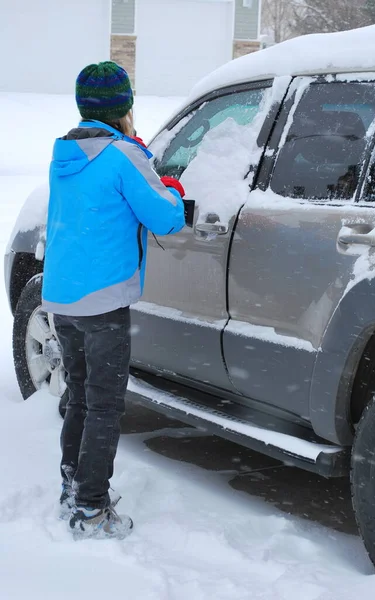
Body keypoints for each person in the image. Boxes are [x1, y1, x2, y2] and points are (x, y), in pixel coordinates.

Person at [41, 62, 185, 540]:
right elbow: (165, 219)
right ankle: (91, 507)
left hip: (63, 299)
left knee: (80, 395)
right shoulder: (123, 155)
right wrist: (172, 190)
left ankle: (73, 484)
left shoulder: (64, 153)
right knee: (105, 405)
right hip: (103, 302)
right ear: (124, 107)